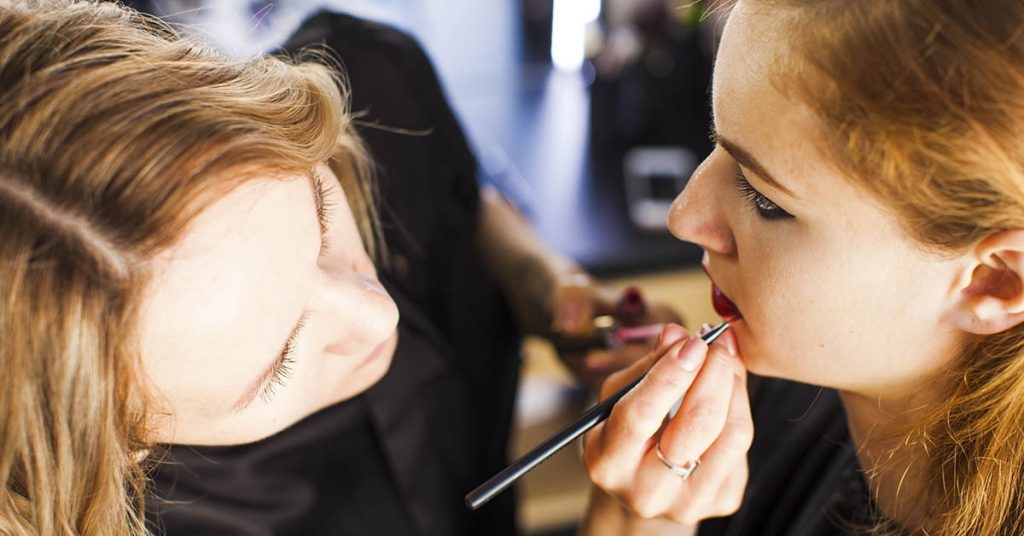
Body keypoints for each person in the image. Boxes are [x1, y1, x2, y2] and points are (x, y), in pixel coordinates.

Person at [1, 2, 691, 535]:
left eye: (324, 214)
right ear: (120, 442)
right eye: (279, 364)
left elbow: (456, 193)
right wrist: (638, 521)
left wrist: (543, 285)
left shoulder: (372, 78)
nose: (377, 312)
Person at [578, 1, 1024, 535]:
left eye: (765, 199)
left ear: (995, 282)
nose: (684, 216)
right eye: (718, 145)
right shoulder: (789, 389)